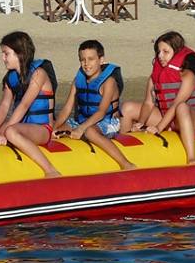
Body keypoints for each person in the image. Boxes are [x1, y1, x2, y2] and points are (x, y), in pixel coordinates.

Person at [120, 31, 195, 165]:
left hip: (190, 120)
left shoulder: (188, 76)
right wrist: (140, 123)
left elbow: (177, 104)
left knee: (181, 107)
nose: (160, 56)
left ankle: (191, 157)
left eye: (165, 51)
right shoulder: (155, 76)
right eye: (158, 52)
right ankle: (123, 149)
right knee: (127, 107)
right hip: (166, 116)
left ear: (176, 52)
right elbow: (148, 104)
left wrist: (159, 128)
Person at [52, 40, 135, 171]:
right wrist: (54, 128)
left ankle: (126, 163)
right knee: (55, 129)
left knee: (90, 132)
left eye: (91, 59)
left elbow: (101, 112)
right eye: (82, 60)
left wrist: (81, 129)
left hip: (107, 122)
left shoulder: (109, 82)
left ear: (101, 60)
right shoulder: (78, 81)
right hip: (83, 121)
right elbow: (67, 108)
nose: (86, 64)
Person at [0, 31, 60, 178]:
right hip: (24, 126)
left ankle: (50, 170)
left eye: (6, 54)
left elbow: (24, 105)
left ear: (19, 54)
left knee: (10, 132)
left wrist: (4, 130)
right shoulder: (11, 78)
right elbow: (4, 105)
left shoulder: (38, 74)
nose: (3, 58)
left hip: (42, 129)